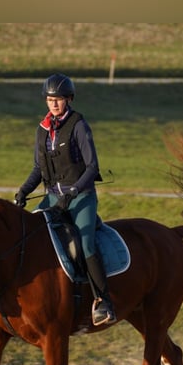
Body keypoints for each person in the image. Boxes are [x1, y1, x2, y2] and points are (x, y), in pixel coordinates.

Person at [14, 73, 116, 326]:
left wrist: (73, 191)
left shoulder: (78, 125)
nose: (54, 104)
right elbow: (39, 169)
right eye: (50, 99)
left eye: (58, 99)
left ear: (68, 99)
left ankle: (104, 301)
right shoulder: (42, 130)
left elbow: (92, 166)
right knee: (29, 233)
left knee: (85, 243)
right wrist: (24, 190)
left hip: (81, 196)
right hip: (52, 197)